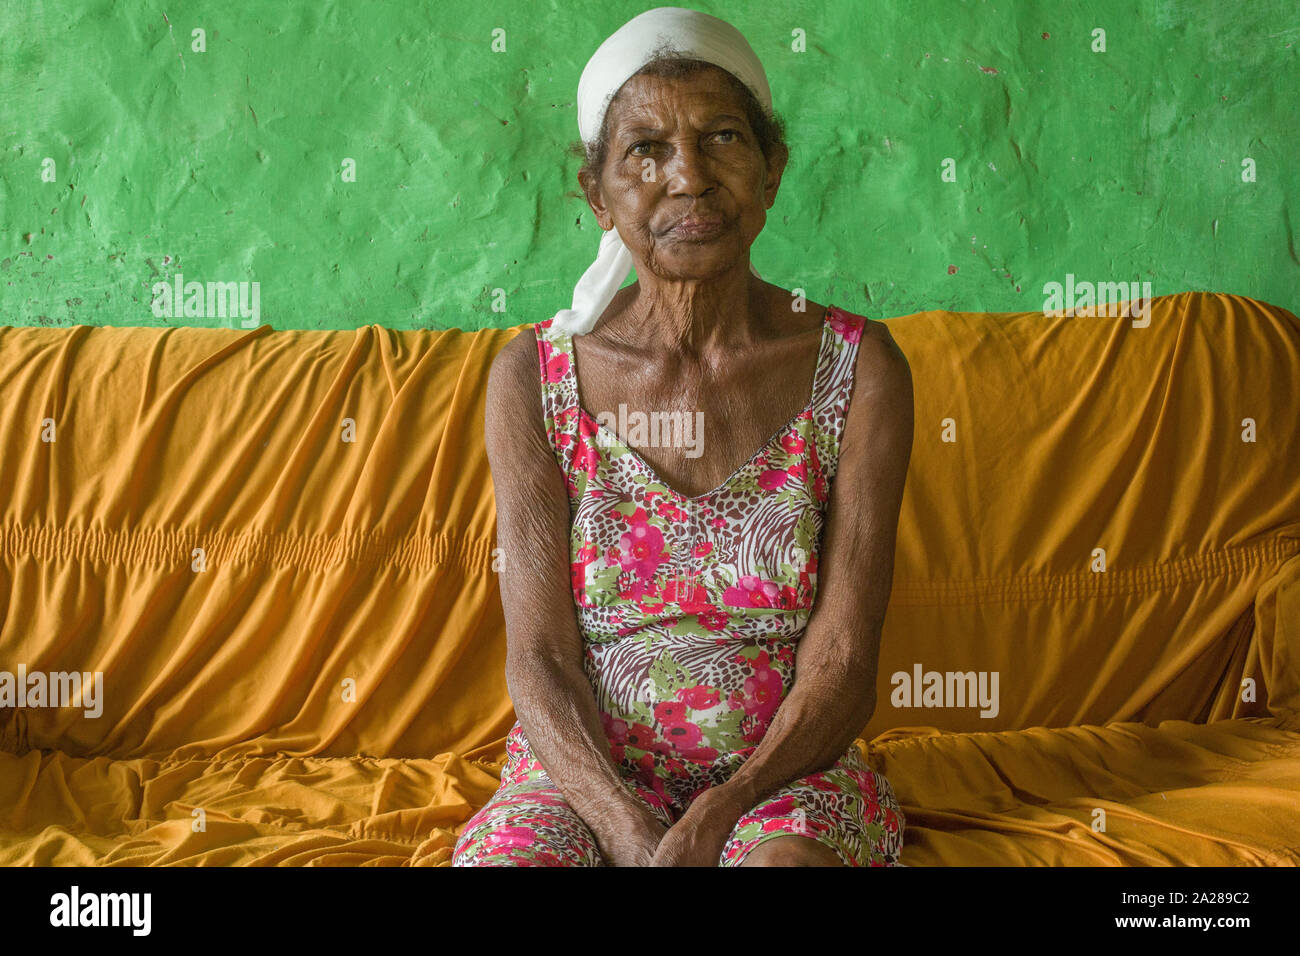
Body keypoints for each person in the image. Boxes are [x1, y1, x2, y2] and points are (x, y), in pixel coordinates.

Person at [453, 6, 913, 866]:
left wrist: (721, 814)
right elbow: (540, 661)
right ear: (599, 195)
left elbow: (846, 661)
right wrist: (625, 828)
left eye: (725, 139)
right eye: (646, 150)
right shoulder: (532, 378)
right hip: (582, 775)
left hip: (789, 778)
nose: (689, 177)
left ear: (772, 172)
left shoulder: (858, 367)